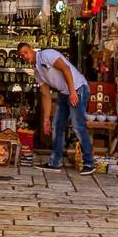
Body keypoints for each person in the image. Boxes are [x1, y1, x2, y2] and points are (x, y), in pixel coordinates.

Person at [17, 43, 96, 174]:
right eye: (21, 55)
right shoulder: (37, 71)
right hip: (64, 93)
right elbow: (45, 95)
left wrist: (72, 92)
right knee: (57, 125)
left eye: (25, 52)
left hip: (78, 88)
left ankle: (89, 163)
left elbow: (65, 68)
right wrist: (46, 118)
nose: (24, 56)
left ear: (31, 49)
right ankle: (55, 162)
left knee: (78, 126)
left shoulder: (47, 55)